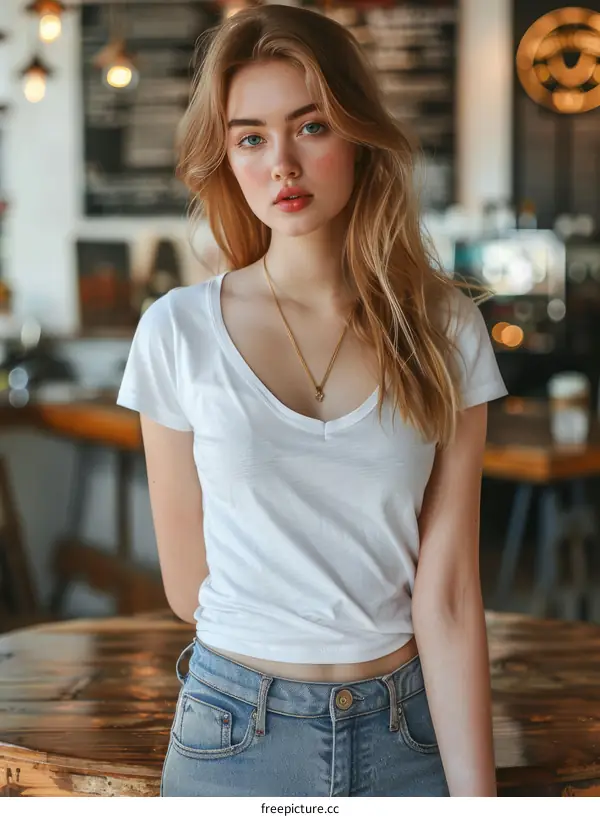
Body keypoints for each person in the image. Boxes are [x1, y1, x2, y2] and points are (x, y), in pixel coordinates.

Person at [116, 4, 507, 798]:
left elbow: (453, 595)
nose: (281, 165)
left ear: (359, 134)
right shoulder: (178, 332)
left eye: (312, 127)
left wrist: (480, 804)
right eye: (251, 137)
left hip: (407, 729)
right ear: (225, 156)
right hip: (236, 730)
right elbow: (186, 583)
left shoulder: (444, 326)